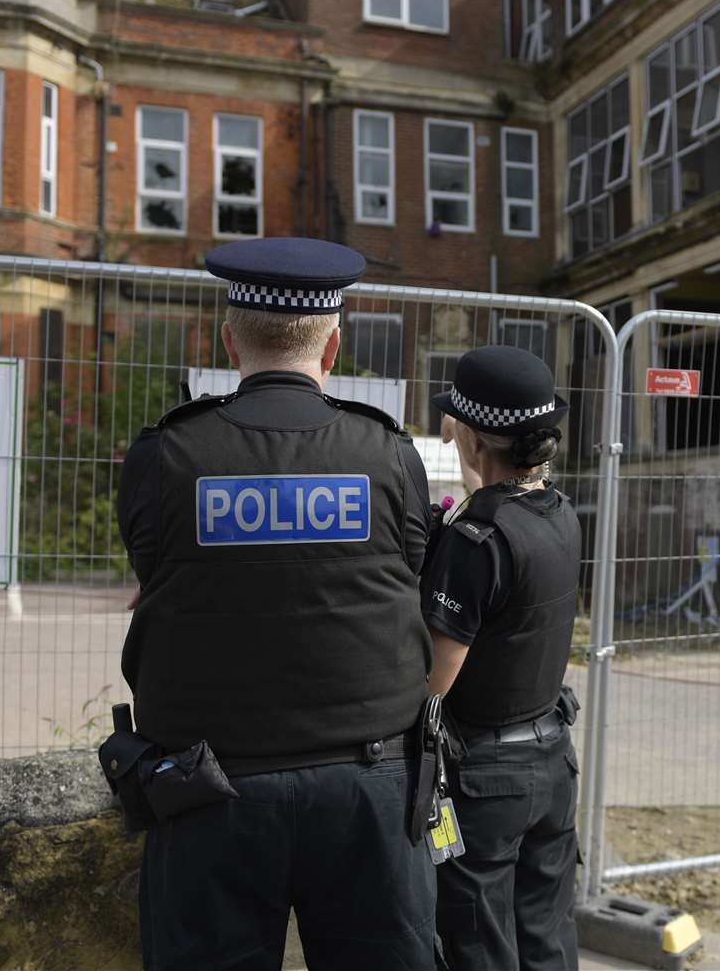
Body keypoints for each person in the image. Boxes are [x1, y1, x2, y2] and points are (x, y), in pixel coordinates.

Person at [116, 237, 437, 970]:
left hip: (208, 791)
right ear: (332, 350)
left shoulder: (165, 457)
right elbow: (409, 573)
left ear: (230, 342)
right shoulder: (389, 455)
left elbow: (162, 572)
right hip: (369, 792)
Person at [421, 345, 583, 971]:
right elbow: (501, 503)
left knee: (480, 944)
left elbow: (435, 680)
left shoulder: (474, 541)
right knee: (545, 933)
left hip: (488, 778)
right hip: (550, 760)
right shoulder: (560, 513)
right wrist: (474, 455)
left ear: (469, 437)